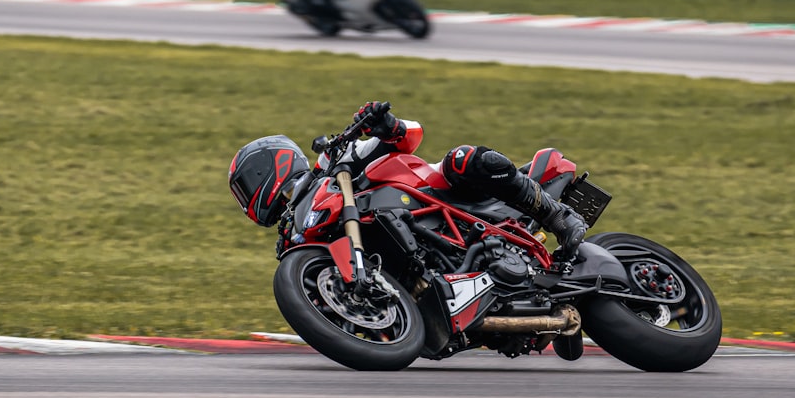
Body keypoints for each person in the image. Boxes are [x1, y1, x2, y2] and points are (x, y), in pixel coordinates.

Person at [228, 102, 588, 262]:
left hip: (432, 193)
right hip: (402, 245)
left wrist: (386, 125)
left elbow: (410, 137)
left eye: (246, 186)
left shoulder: (332, 160)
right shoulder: (292, 238)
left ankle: (558, 215)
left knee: (465, 158)